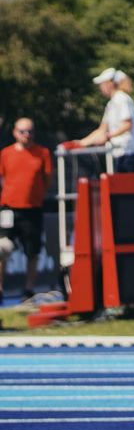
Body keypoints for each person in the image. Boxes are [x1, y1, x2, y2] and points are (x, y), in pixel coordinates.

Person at [1, 118, 55, 302]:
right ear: (15, 132)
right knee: (3, 248)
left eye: (30, 131)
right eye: (23, 131)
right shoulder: (6, 154)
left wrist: (37, 195)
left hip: (32, 209)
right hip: (9, 209)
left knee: (32, 250)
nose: (27, 135)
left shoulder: (42, 153)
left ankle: (28, 290)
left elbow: (47, 179)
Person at [65, 69, 134, 174]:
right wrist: (81, 143)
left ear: (109, 84)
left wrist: (108, 136)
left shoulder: (121, 98)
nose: (100, 88)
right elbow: (102, 129)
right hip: (120, 152)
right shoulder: (111, 103)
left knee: (127, 188)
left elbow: (127, 124)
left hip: (130, 152)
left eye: (101, 84)